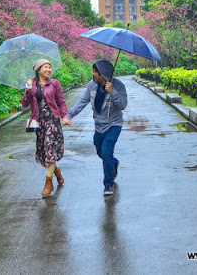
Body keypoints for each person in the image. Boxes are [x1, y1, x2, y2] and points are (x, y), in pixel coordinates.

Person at [62, 59, 127, 196]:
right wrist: (69, 115)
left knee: (107, 151)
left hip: (114, 124)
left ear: (102, 73)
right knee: (100, 152)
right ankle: (114, 163)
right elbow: (83, 101)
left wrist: (113, 91)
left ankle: (108, 184)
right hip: (99, 125)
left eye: (94, 72)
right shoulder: (92, 85)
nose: (92, 74)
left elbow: (123, 105)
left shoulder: (119, 86)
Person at [21, 58, 70, 198]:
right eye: (45, 67)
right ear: (38, 70)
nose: (48, 70)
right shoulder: (32, 85)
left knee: (50, 149)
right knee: (43, 152)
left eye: (49, 67)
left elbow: (61, 101)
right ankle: (56, 172)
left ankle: (48, 183)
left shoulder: (54, 84)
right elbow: (24, 104)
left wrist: (64, 116)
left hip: (52, 121)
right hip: (39, 123)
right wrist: (28, 89)